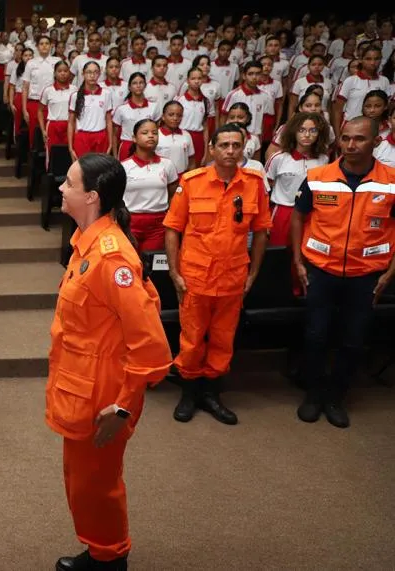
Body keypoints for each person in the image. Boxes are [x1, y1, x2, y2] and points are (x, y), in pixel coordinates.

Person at [50, 153, 172, 571]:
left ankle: (111, 559)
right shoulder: (86, 243)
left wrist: (122, 407)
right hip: (80, 387)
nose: (61, 189)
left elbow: (152, 347)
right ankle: (99, 548)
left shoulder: (111, 258)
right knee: (82, 484)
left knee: (98, 486)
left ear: (92, 197)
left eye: (68, 183)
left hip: (103, 398)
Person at [163, 124, 272, 425]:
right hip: (195, 277)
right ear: (211, 149)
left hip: (233, 278)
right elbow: (172, 228)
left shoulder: (253, 183)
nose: (230, 151)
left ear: (244, 148)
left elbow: (261, 232)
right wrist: (174, 272)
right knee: (192, 338)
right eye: (223, 145)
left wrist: (253, 273)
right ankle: (189, 392)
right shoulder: (192, 181)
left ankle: (211, 393)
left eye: (236, 145)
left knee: (224, 339)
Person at [291, 117, 395, 428]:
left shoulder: (390, 181)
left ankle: (336, 396)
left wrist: (391, 272)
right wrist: (297, 261)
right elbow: (298, 217)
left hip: (367, 275)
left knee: (352, 339)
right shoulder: (318, 177)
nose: (350, 145)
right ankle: (313, 394)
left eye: (359, 139)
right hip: (321, 271)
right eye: (346, 138)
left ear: (376, 141)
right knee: (316, 335)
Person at [266, 112, 330, 248]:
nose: (307, 135)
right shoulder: (278, 158)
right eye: (302, 130)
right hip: (283, 212)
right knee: (278, 253)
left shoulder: (323, 159)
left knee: (305, 251)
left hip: (309, 213)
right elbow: (265, 189)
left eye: (313, 130)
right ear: (293, 132)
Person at [121, 119, 179, 251]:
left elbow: (173, 194)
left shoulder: (167, 164)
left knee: (151, 266)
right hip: (130, 222)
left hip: (158, 225)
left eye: (155, 133)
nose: (151, 136)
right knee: (130, 263)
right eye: (145, 133)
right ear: (134, 138)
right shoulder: (124, 166)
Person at [68, 61, 114, 161]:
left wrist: (110, 143)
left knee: (100, 169)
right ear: (83, 74)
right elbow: (71, 123)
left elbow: (109, 120)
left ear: (100, 74)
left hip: (101, 136)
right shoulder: (75, 96)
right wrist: (70, 148)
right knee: (83, 171)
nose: (92, 75)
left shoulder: (106, 93)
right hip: (82, 137)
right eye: (88, 72)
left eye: (95, 72)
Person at [111, 72, 159, 160]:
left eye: (141, 83)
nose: (138, 85)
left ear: (145, 85)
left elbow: (157, 130)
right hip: (127, 145)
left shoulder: (154, 107)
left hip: (147, 146)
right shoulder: (121, 109)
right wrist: (114, 155)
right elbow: (114, 135)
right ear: (129, 87)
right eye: (134, 83)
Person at [155, 101, 196, 175]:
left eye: (179, 115)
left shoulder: (186, 135)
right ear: (163, 117)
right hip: (160, 177)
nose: (175, 118)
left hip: (181, 177)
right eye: (171, 115)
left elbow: (192, 161)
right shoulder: (156, 135)